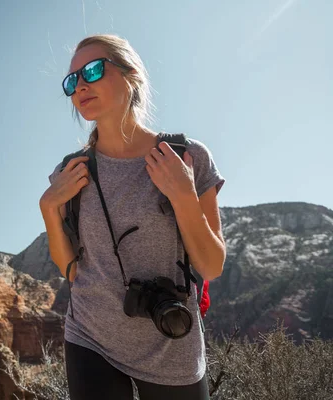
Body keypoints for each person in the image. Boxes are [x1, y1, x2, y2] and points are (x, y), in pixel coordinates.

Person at [38, 34, 226, 400]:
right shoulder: (70, 170)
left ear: (132, 75)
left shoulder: (186, 156)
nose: (81, 86)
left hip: (171, 339)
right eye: (72, 81)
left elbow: (212, 265)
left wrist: (183, 194)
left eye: (92, 70)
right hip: (90, 337)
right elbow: (71, 269)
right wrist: (48, 207)